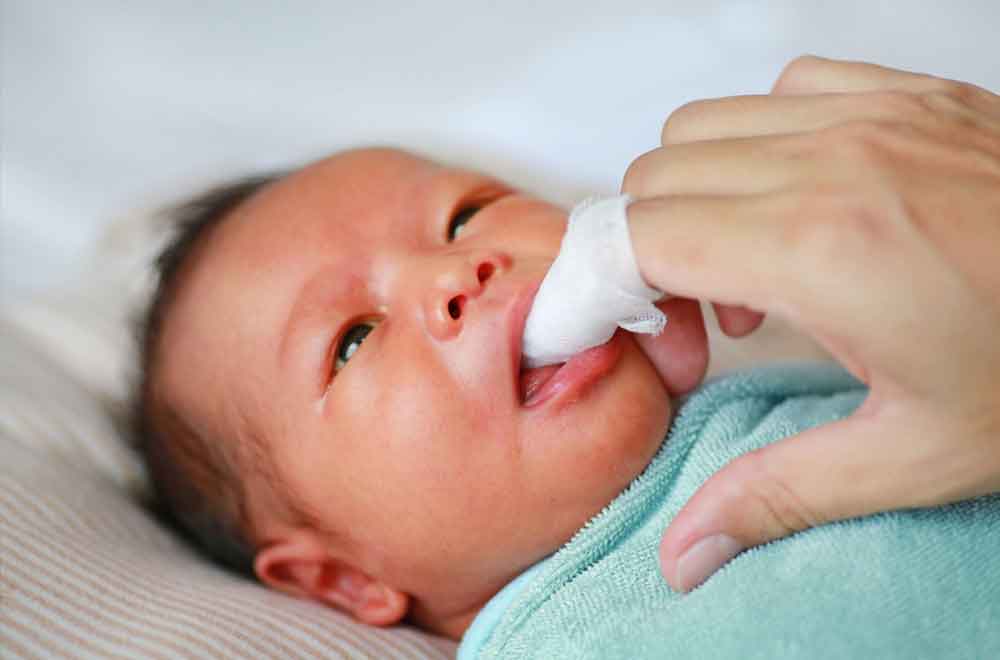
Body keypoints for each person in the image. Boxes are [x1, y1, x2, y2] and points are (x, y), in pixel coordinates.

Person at [133, 56, 1000, 652]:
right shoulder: (565, 635)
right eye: (353, 339)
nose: (458, 270)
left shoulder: (838, 347)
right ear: (341, 581)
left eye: (464, 215)